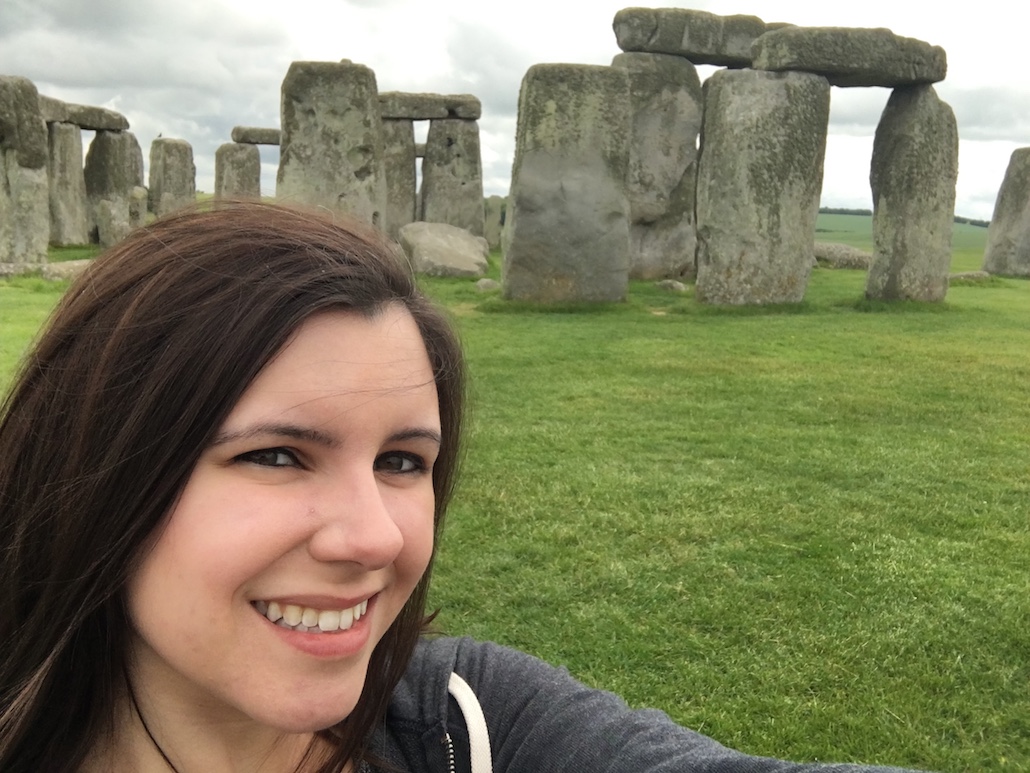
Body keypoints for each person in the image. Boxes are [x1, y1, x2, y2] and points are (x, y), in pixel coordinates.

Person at [0, 202, 929, 773]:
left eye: (403, 461)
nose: (376, 536)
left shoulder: (469, 725)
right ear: (95, 474)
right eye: (277, 455)